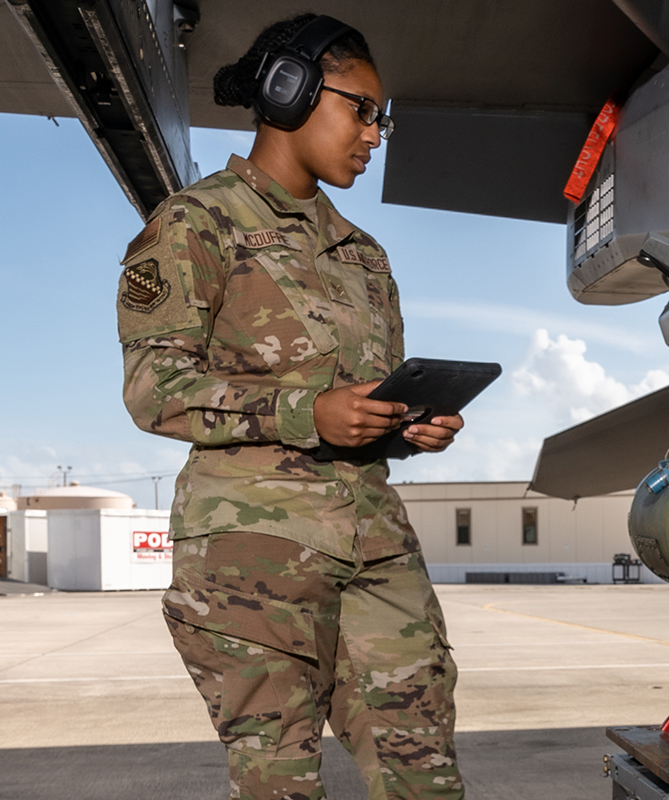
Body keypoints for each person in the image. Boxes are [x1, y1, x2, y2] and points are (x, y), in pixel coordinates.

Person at [117, 14, 466, 800]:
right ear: (291, 90)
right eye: (363, 109)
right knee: (280, 786)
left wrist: (410, 426)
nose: (376, 134)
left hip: (374, 545)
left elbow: (359, 402)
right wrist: (309, 412)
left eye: (383, 117)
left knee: (426, 775)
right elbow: (153, 389)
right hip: (255, 554)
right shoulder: (194, 223)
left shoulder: (365, 255)